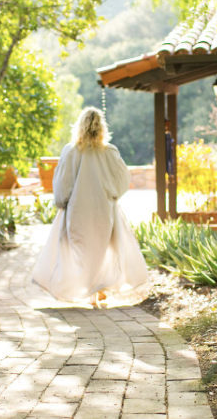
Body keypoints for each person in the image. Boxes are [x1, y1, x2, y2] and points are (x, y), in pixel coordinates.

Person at [32, 107, 149, 307]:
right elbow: (122, 180)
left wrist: (62, 201)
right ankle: (99, 288)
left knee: (80, 250)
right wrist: (112, 195)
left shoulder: (70, 151)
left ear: (79, 126)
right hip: (103, 209)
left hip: (78, 210)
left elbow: (63, 182)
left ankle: (89, 289)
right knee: (101, 248)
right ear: (102, 127)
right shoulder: (109, 151)